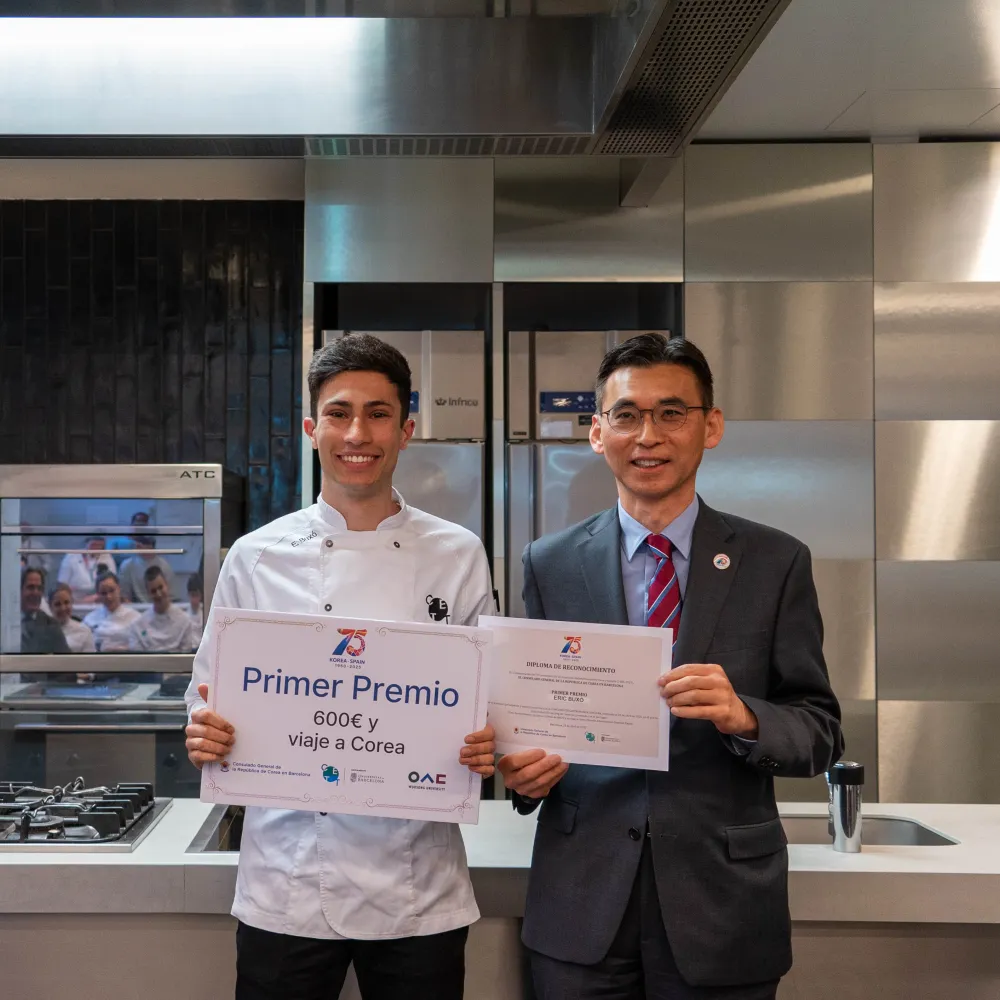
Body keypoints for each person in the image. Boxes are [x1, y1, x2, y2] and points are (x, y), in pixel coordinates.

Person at [497, 334, 843, 1000]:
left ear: (710, 426)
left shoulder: (775, 562)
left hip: (722, 908)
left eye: (671, 413)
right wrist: (521, 773)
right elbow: (529, 717)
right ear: (598, 433)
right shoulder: (550, 562)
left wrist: (746, 716)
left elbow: (820, 731)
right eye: (626, 415)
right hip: (582, 904)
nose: (647, 435)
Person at [183, 334, 497, 1000]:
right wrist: (204, 733)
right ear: (311, 427)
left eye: (379, 413)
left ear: (407, 429)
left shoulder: (459, 554)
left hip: (419, 890)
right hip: (288, 885)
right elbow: (205, 697)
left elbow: (490, 705)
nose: (358, 432)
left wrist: (490, 741)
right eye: (339, 412)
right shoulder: (256, 557)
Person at [128, 566, 198, 652]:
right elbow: (137, 661)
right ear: (148, 594)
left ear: (167, 585)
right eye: (153, 591)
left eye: (160, 587)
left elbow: (186, 658)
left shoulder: (185, 621)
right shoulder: (138, 626)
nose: (158, 594)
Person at [83, 572, 141, 652]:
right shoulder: (89, 619)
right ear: (98, 595)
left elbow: (141, 646)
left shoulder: (135, 618)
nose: (108, 596)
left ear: (119, 589)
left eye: (112, 591)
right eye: (103, 593)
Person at [20, 568, 69, 655]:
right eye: (30, 587)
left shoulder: (52, 625)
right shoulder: (4, 622)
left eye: (39, 588)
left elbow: (66, 662)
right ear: (19, 589)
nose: (36, 593)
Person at [57, 537, 116, 603]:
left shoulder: (107, 558)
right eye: (94, 544)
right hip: (74, 602)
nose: (96, 548)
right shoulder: (71, 557)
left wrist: (96, 597)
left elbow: (112, 585)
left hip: (99, 601)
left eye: (100, 545)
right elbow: (62, 585)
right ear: (87, 542)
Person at [119, 536, 175, 603]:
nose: (135, 545)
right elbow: (124, 597)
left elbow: (170, 597)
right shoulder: (127, 566)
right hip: (136, 610)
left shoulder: (165, 567)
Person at [49, 582, 97, 653]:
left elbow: (90, 662)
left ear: (72, 603)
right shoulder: (42, 630)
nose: (63, 608)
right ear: (50, 606)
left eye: (66, 603)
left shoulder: (84, 631)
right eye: (57, 604)